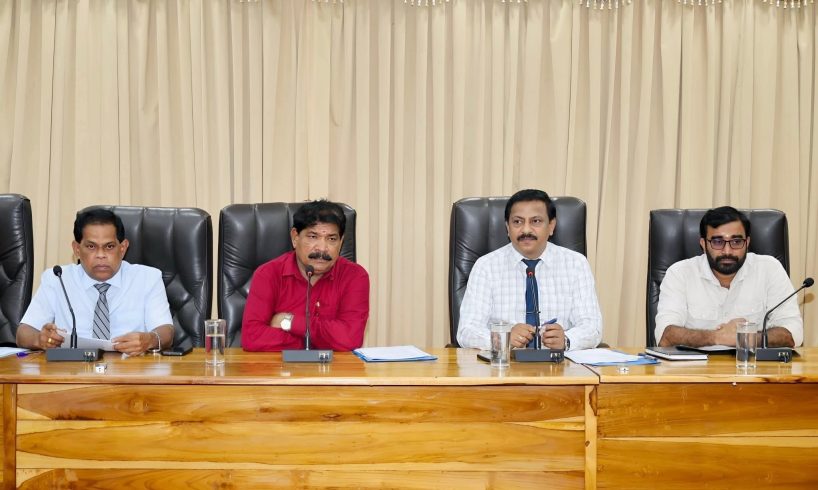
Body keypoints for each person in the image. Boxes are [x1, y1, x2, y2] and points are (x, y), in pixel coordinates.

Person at [457, 189, 603, 351]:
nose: (526, 230)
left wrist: (567, 341)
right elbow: (466, 331)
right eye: (517, 222)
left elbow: (592, 327)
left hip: (558, 363)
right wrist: (503, 338)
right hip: (504, 362)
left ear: (551, 226)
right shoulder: (486, 266)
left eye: (536, 221)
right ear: (507, 227)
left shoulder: (576, 264)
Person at [16, 209, 174, 355]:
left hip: (130, 367)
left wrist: (150, 340)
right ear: (77, 249)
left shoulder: (148, 278)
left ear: (123, 248)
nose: (101, 255)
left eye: (109, 246)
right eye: (91, 246)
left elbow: (166, 331)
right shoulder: (58, 278)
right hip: (72, 369)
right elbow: (23, 333)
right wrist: (39, 339)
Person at [655, 206, 802, 348]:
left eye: (736, 242)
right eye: (717, 242)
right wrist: (718, 337)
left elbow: (793, 333)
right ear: (703, 244)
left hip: (751, 363)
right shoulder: (680, 273)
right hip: (695, 364)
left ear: (747, 243)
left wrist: (745, 337)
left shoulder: (769, 269)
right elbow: (665, 337)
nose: (727, 251)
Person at [241, 199, 370, 352]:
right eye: (313, 236)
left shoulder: (355, 277)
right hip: (282, 367)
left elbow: (350, 338)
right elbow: (252, 337)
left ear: (341, 242)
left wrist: (290, 322)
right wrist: (313, 342)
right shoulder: (268, 274)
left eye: (332, 239)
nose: (322, 248)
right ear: (295, 238)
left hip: (333, 368)